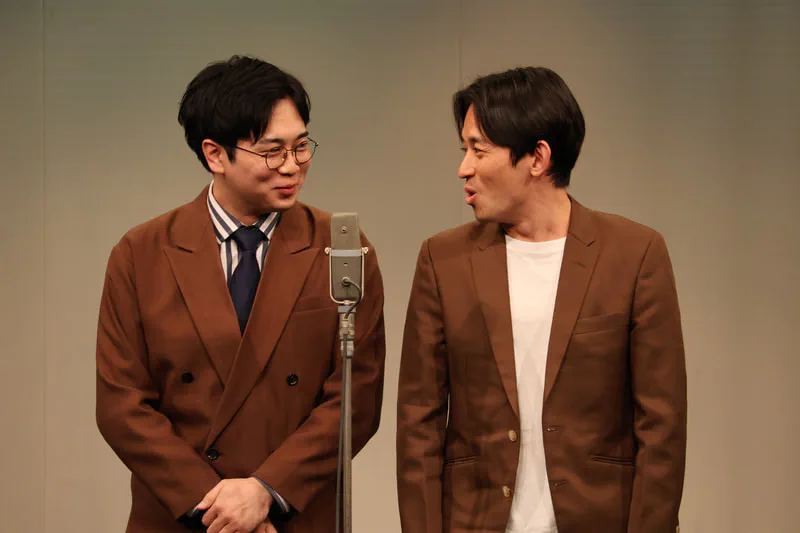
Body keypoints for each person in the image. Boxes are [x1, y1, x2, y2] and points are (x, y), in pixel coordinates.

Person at [96, 55, 386, 533]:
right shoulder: (142, 252)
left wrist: (265, 492)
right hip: (182, 515)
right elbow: (122, 406)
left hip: (293, 514)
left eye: (301, 146)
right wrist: (217, 508)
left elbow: (356, 399)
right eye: (272, 151)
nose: (292, 166)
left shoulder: (342, 249)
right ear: (215, 155)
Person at [396, 67, 686, 533]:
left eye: (478, 150)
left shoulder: (635, 254)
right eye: (464, 150)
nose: (464, 168)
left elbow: (662, 427)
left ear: (537, 157)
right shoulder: (443, 259)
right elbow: (418, 425)